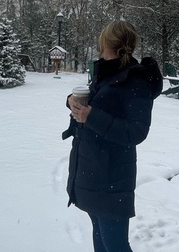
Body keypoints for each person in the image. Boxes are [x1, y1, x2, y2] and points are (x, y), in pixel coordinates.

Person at [62, 19, 163, 252]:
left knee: (115, 245)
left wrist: (91, 116)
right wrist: (72, 101)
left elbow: (136, 131)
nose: (100, 48)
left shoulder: (135, 81)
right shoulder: (107, 73)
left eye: (102, 42)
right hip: (92, 170)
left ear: (111, 46)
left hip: (112, 178)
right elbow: (97, 103)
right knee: (101, 239)